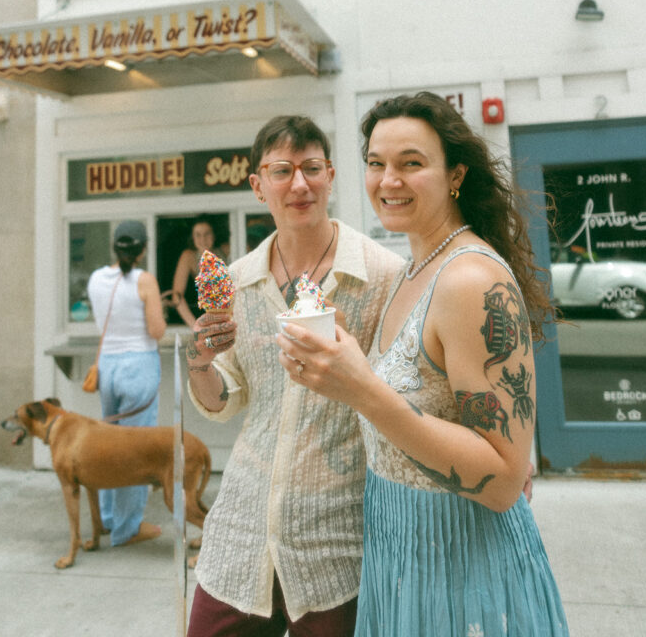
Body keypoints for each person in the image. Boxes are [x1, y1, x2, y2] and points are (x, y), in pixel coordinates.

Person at [277, 92, 570, 637]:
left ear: (455, 174)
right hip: (399, 552)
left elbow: (505, 479)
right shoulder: (414, 269)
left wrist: (362, 388)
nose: (389, 180)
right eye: (376, 164)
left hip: (462, 568)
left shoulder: (469, 280)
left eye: (412, 163)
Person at [185, 115, 403, 637]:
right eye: (282, 171)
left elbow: (401, 400)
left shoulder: (383, 276)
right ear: (259, 186)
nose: (299, 184)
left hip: (337, 541)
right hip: (241, 533)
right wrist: (199, 361)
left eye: (310, 168)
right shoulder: (236, 281)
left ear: (330, 174)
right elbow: (224, 399)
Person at [87, 219, 166, 546]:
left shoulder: (95, 279)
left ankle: (107, 520)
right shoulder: (145, 281)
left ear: (114, 246)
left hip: (108, 368)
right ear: (144, 249)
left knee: (109, 446)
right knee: (136, 453)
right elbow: (157, 331)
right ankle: (127, 528)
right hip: (138, 367)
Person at [169, 216, 219, 327]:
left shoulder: (226, 251)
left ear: (214, 235)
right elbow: (177, 296)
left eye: (207, 234)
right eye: (198, 235)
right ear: (192, 238)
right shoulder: (188, 256)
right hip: (199, 316)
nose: (203, 239)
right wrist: (195, 326)